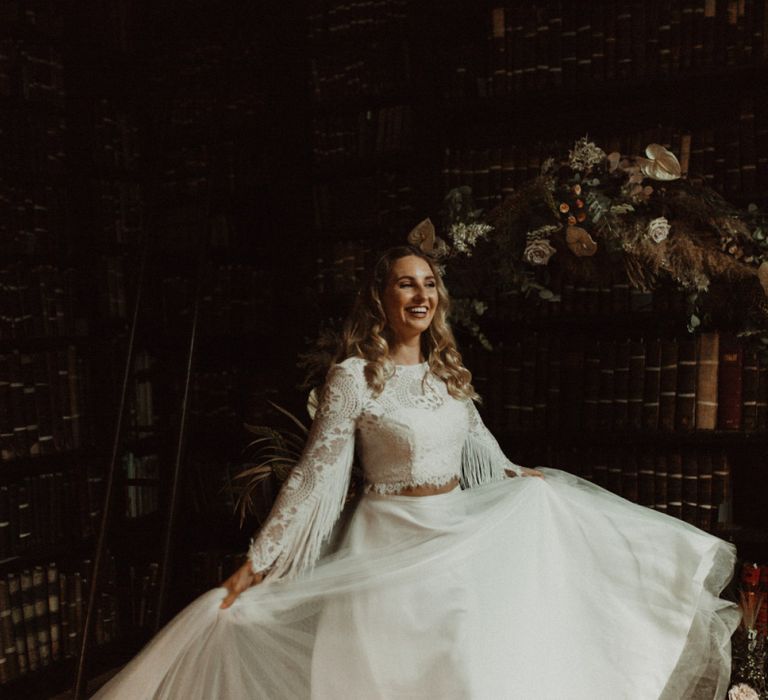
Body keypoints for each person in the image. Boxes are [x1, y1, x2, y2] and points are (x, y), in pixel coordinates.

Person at [93, 245, 739, 700]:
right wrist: (257, 563)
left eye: (429, 284)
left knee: (462, 673)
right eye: (406, 283)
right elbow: (316, 477)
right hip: (386, 550)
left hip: (455, 544)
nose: (421, 295)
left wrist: (518, 478)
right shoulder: (353, 377)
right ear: (380, 298)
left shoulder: (449, 374)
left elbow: (480, 446)